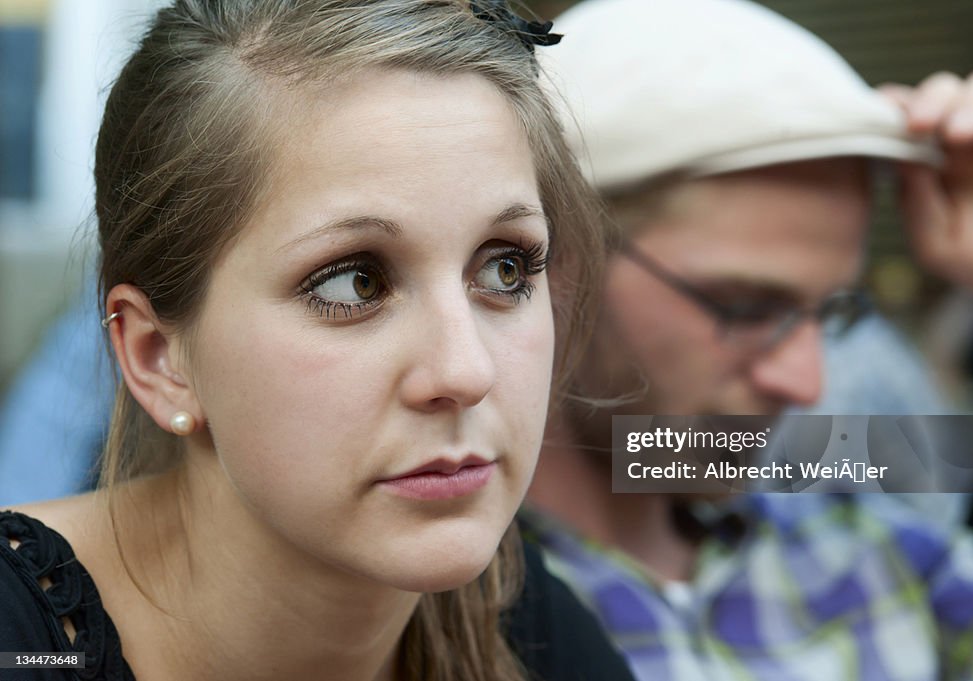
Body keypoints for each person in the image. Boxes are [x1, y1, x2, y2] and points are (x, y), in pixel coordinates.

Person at [0, 1, 637, 680]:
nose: (465, 369)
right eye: (354, 284)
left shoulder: (526, 624)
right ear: (160, 359)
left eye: (504, 268)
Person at [525, 0, 973, 678]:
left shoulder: (860, 549)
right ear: (550, 256)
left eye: (833, 312)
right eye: (747, 306)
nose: (806, 381)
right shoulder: (443, 616)